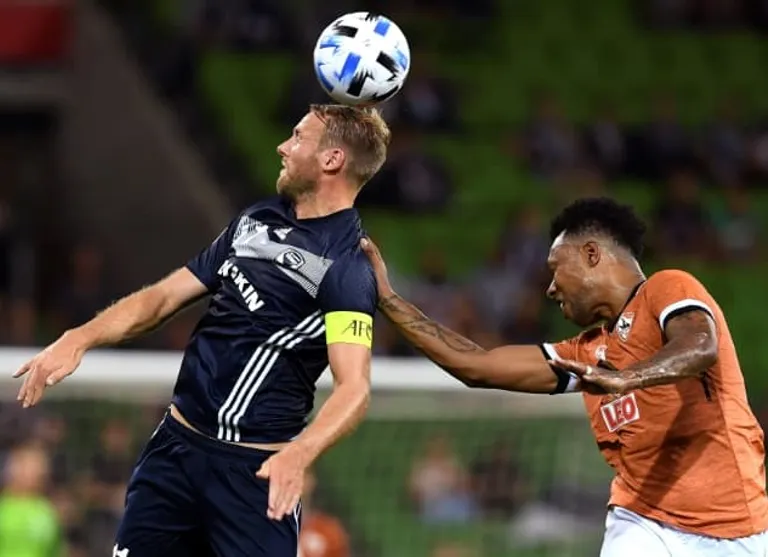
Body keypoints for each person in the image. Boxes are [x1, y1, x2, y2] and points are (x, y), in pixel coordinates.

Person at [14, 103, 390, 557]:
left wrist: (301, 452)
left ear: (332, 159)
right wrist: (80, 337)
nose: (282, 147)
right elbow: (163, 297)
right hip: (174, 453)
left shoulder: (347, 266)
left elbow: (354, 388)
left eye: (297, 137)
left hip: (253, 476)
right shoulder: (257, 220)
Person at [360, 197, 768, 557]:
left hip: (737, 528)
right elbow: (476, 366)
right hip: (643, 522)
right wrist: (388, 300)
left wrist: (628, 378)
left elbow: (700, 345)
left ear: (591, 253)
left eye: (556, 270)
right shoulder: (585, 353)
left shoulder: (666, 288)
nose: (551, 288)